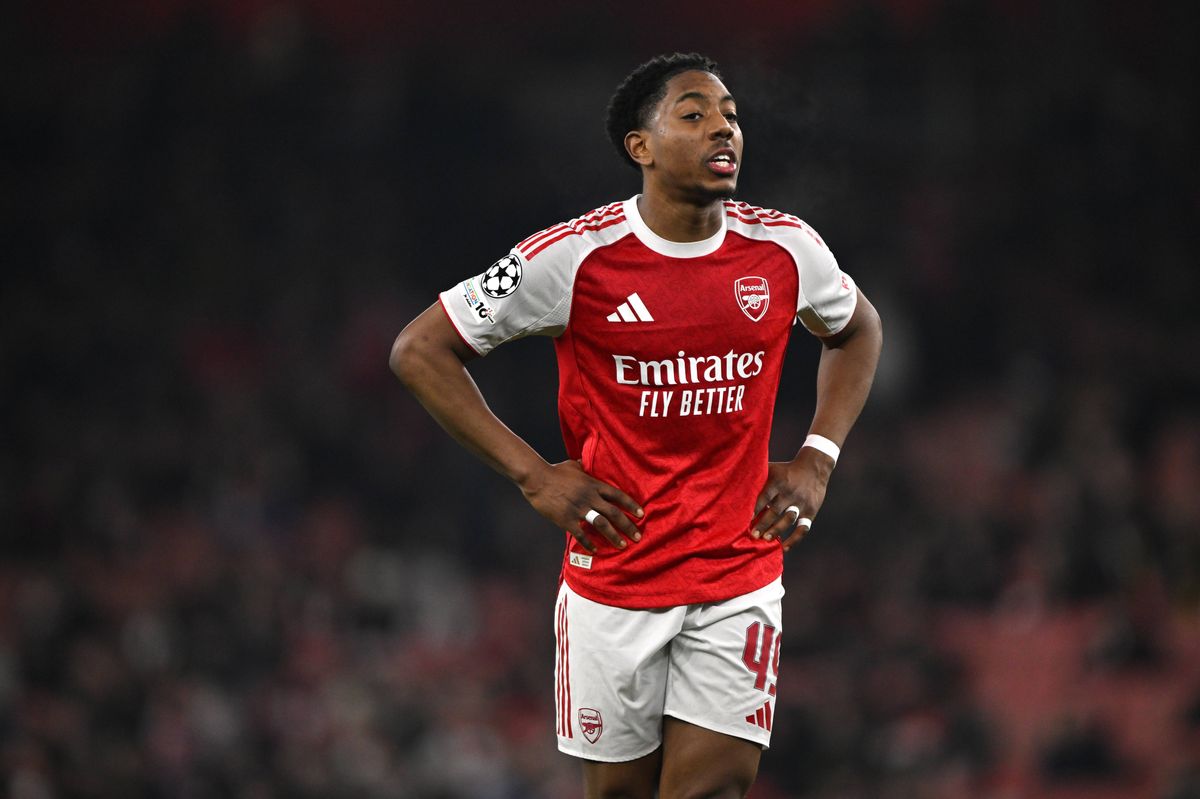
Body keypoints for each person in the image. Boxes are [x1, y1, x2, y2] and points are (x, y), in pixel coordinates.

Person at [390, 52, 882, 799]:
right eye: (694, 114)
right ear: (640, 146)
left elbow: (857, 327)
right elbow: (420, 349)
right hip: (615, 579)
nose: (723, 127)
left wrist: (817, 456)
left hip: (738, 572)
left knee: (715, 786)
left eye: (731, 115)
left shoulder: (785, 247)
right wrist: (533, 474)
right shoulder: (574, 259)